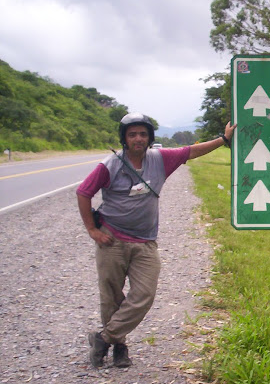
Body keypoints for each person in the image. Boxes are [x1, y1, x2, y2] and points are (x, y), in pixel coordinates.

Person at [76, 113, 236, 368]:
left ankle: (103, 338)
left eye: (143, 134)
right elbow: (84, 192)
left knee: (144, 294)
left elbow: (191, 151)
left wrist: (222, 139)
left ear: (150, 137)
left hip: (145, 242)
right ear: (124, 139)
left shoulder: (160, 159)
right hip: (112, 239)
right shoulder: (111, 165)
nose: (138, 139)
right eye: (132, 134)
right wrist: (92, 230)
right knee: (111, 296)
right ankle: (119, 347)